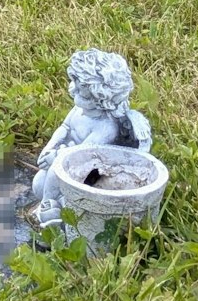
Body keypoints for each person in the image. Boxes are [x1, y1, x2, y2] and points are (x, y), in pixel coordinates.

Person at [32, 49, 153, 227]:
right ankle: (51, 205)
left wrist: (57, 157)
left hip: (89, 173)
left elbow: (82, 155)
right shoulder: (78, 110)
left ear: (101, 99)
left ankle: (50, 208)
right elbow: (64, 127)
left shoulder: (107, 127)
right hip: (66, 158)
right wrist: (50, 147)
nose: (72, 90)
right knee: (39, 183)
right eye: (74, 83)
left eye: (81, 93)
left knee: (55, 175)